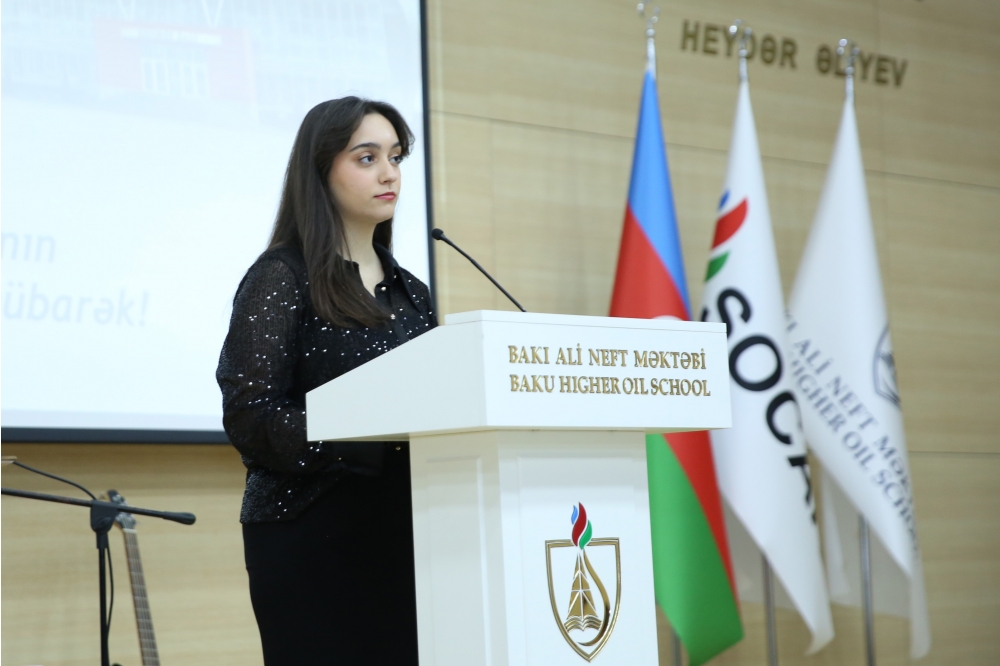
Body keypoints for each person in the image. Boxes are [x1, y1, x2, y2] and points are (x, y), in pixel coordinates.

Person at [216, 97, 435, 665]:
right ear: (320, 171)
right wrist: (355, 439)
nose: (389, 173)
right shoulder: (281, 277)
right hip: (311, 537)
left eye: (395, 157)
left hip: (411, 534)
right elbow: (250, 415)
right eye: (367, 158)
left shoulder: (412, 293)